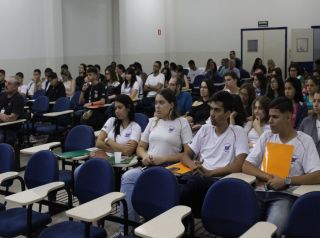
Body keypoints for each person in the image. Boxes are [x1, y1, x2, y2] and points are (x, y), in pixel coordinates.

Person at [242, 96, 320, 237]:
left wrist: (286, 181)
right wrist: (269, 177)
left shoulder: (304, 141)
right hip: (259, 191)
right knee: (241, 225)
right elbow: (246, 165)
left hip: (284, 196)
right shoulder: (267, 136)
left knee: (273, 231)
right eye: (270, 116)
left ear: (289, 117)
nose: (270, 121)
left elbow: (317, 175)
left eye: (275, 117)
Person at [119, 88, 192, 227]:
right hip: (149, 166)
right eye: (156, 102)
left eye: (161, 102)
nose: (157, 106)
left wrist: (163, 159)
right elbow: (140, 147)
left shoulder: (181, 122)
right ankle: (128, 227)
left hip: (170, 169)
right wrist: (145, 155)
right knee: (128, 176)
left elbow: (188, 154)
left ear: (171, 105)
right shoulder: (152, 122)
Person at [180, 91, 248, 216]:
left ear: (228, 113)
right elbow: (185, 155)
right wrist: (193, 166)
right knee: (173, 181)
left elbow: (238, 166)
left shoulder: (238, 132)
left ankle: (175, 222)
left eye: (217, 110)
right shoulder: (205, 129)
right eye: (211, 109)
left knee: (190, 186)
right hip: (199, 176)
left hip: (219, 180)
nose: (212, 114)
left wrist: (209, 172)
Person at [0, 77, 25, 144]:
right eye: (6, 82)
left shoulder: (19, 98)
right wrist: (3, 117)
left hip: (11, 129)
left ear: (15, 86)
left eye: (9, 84)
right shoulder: (3, 95)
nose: (6, 85)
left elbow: (12, 118)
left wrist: (2, 116)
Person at [299, 89, 320, 155]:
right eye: (314, 101)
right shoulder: (306, 122)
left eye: (319, 101)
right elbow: (299, 142)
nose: (315, 104)